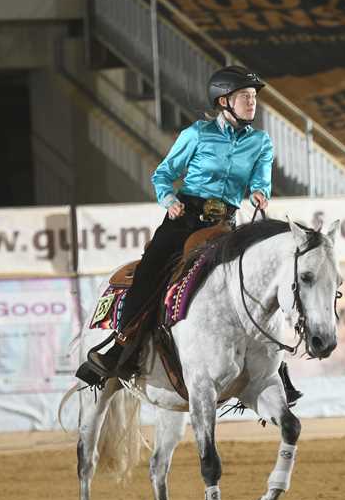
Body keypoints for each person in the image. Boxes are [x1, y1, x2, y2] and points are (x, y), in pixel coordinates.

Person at [77, 65, 301, 404]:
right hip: (185, 218)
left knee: (257, 280)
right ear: (224, 101)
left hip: (225, 224)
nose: (252, 102)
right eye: (245, 96)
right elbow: (163, 174)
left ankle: (274, 368)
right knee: (151, 271)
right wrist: (169, 201)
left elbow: (261, 178)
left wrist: (260, 192)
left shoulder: (260, 142)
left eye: (254, 96)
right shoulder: (197, 134)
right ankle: (121, 346)